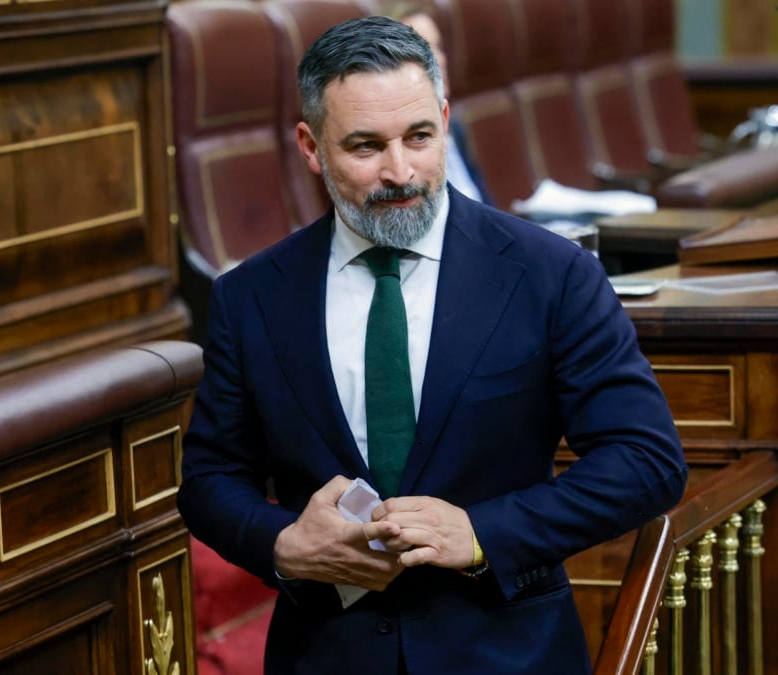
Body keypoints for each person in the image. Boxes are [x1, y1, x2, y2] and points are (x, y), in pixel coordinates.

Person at [177, 15, 687, 675]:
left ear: (445, 120)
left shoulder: (549, 273)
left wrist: (480, 532)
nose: (400, 171)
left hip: (509, 650)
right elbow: (211, 478)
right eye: (365, 146)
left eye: (418, 136)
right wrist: (284, 543)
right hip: (327, 655)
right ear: (310, 145)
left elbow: (646, 460)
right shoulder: (251, 295)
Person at [386, 1, 493, 206]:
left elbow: (487, 211)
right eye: (423, 49)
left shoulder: (454, 128)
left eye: (438, 47)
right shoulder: (397, 152)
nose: (439, 60)